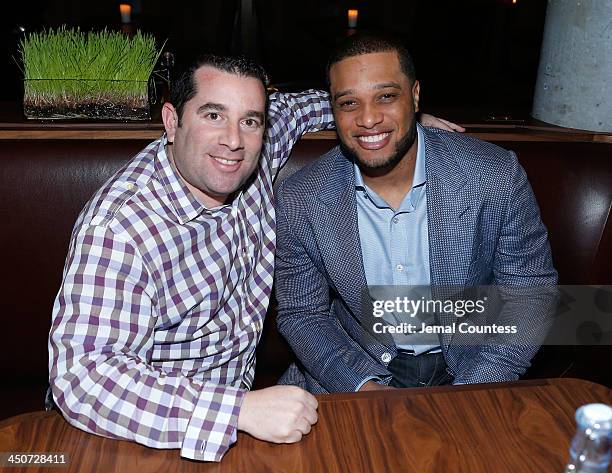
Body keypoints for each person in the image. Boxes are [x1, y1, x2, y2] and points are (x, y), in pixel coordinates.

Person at [48, 54, 460, 461]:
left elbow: (312, 105)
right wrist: (237, 411)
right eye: (213, 115)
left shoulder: (253, 153)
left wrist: (398, 121)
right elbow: (82, 378)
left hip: (242, 423)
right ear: (172, 121)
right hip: (138, 430)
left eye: (250, 120)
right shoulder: (120, 227)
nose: (234, 139)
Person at [274, 33, 558, 394]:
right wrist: (363, 386)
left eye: (387, 96)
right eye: (349, 103)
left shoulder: (495, 175)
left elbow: (528, 294)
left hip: (473, 364)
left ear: (416, 95)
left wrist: (473, 388)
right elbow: (304, 314)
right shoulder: (301, 197)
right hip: (355, 367)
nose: (369, 118)